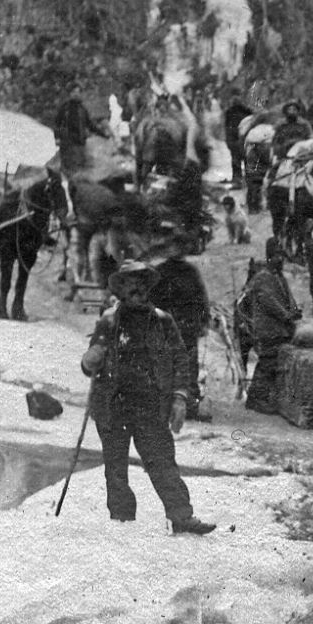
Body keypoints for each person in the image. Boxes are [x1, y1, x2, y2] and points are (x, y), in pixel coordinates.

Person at [79, 260, 216, 534]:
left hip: (150, 404)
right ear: (121, 289)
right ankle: (122, 521)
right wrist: (89, 359)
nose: (137, 289)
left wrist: (180, 397)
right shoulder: (108, 321)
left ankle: (181, 517)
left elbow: (181, 359)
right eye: (131, 283)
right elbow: (90, 364)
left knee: (162, 461)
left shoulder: (163, 321)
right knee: (115, 468)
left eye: (142, 283)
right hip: (113, 404)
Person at [150, 228, 212, 421]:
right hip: (166, 328)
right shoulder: (159, 272)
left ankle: (189, 403)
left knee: (189, 365)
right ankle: (164, 402)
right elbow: (152, 302)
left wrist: (204, 320)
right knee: (165, 364)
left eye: (180, 246)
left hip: (188, 327)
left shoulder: (191, 272)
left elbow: (201, 298)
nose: (176, 250)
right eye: (173, 246)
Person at [244, 237, 302, 414]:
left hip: (280, 327)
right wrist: (286, 316)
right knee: (267, 362)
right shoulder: (262, 278)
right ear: (269, 256)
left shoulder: (279, 278)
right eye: (277, 256)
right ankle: (256, 399)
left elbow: (288, 298)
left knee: (273, 362)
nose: (281, 259)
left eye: (282, 256)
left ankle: (262, 396)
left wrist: (295, 310)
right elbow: (268, 301)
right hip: (268, 328)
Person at [53, 83, 104, 176]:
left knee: (81, 170)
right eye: (73, 92)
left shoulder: (82, 109)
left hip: (80, 144)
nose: (76, 94)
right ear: (70, 94)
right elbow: (57, 124)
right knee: (69, 170)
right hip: (68, 145)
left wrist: (103, 134)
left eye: (78, 92)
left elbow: (90, 125)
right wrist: (57, 138)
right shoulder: (65, 108)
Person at [222, 87, 255, 186]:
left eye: (238, 95)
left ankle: (249, 181)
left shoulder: (247, 111)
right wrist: (228, 140)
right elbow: (227, 126)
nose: (236, 98)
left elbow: (252, 123)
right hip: (233, 139)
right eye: (234, 96)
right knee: (235, 159)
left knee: (247, 159)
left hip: (245, 139)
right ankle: (237, 180)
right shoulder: (229, 112)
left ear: (241, 97)